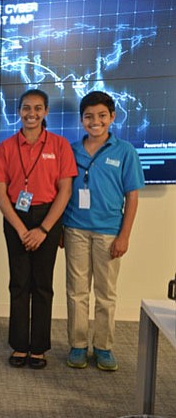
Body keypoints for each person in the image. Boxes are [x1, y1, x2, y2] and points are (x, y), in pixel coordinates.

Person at [0, 89, 77, 369]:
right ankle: (19, 345)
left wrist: (43, 229)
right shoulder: (6, 147)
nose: (32, 113)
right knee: (18, 283)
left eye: (38, 108)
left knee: (42, 285)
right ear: (19, 111)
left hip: (47, 218)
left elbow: (65, 192)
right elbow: (0, 194)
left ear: (46, 112)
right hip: (15, 217)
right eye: (26, 108)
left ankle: (38, 347)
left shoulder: (60, 145)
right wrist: (19, 228)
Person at [62, 91, 144, 371]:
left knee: (106, 293)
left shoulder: (125, 151)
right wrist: (61, 228)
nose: (95, 121)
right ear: (81, 120)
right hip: (75, 230)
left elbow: (132, 197)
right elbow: (62, 192)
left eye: (101, 116)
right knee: (76, 291)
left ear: (112, 117)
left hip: (110, 232)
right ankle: (78, 345)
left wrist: (125, 236)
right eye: (88, 116)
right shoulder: (70, 150)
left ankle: (104, 347)